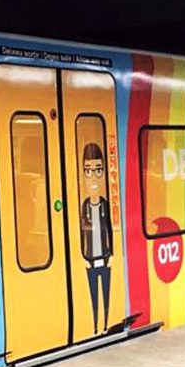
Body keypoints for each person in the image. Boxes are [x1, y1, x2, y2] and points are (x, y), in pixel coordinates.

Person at [80, 142, 113, 335]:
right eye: (88, 171)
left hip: (105, 258)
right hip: (90, 259)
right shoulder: (84, 205)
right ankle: (94, 327)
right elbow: (82, 232)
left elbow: (110, 229)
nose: (93, 177)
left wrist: (112, 254)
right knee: (93, 295)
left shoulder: (105, 205)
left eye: (98, 171)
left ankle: (106, 325)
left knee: (106, 294)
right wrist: (83, 257)